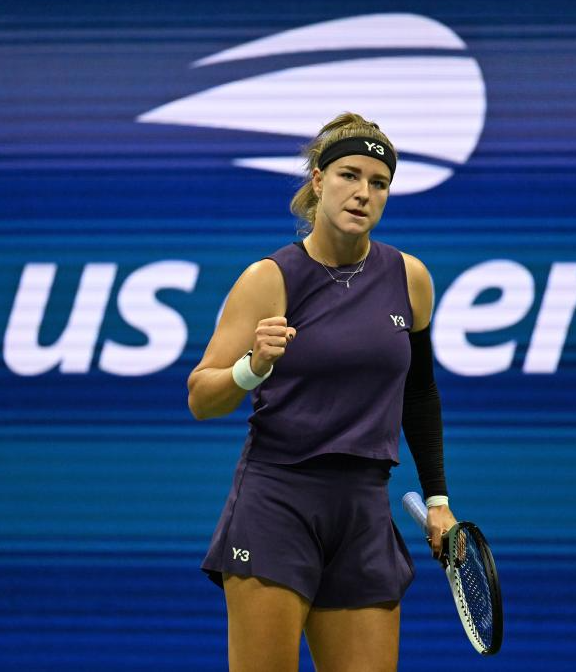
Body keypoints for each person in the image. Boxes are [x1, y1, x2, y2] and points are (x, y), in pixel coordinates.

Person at [187, 112, 456, 672]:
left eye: (379, 183)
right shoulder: (268, 278)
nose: (363, 193)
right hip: (277, 504)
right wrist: (252, 367)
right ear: (317, 180)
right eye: (348, 176)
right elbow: (201, 397)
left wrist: (438, 502)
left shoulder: (410, 278)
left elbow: (419, 394)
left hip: (363, 510)